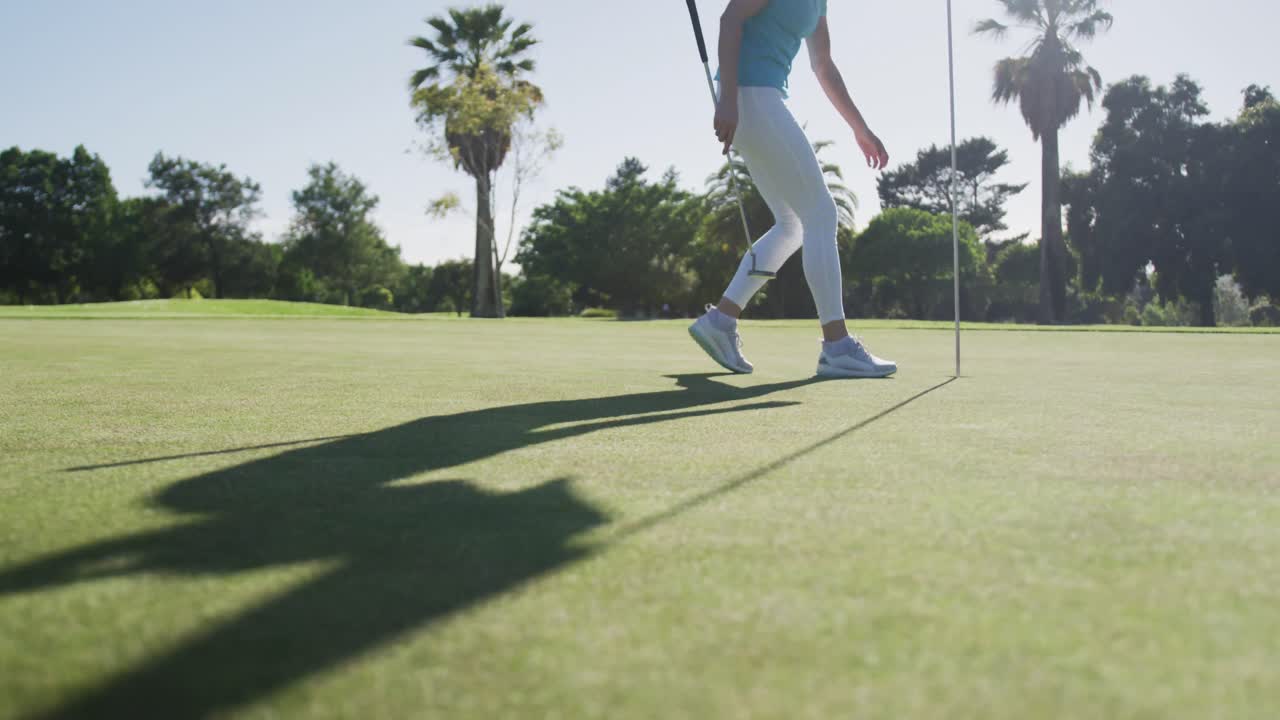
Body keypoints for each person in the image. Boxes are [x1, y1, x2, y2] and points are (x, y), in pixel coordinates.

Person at [688, 0, 897, 379]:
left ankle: (720, 321)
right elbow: (730, 18)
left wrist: (860, 128)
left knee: (793, 224)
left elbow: (823, 66)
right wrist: (729, 100)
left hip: (759, 100)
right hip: (750, 97)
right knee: (821, 214)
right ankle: (837, 346)